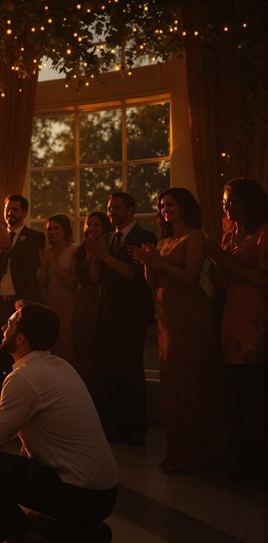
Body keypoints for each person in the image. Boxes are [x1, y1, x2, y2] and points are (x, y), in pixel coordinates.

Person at [0, 300, 118, 543]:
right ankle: (87, 534)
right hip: (103, 494)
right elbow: (7, 426)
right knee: (29, 521)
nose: (4, 327)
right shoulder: (57, 366)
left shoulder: (24, 377)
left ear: (21, 337)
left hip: (76, 491)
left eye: (10, 324)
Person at [130, 188, 221, 473]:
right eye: (161, 205)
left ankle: (196, 453)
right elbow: (154, 283)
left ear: (183, 206)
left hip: (190, 315)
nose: (164, 208)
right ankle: (177, 450)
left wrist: (157, 261)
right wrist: (149, 264)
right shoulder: (164, 241)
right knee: (172, 383)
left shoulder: (194, 236)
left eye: (169, 203)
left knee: (189, 382)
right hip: (167, 318)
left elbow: (190, 277)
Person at [206, 177, 267, 483]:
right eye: (224, 202)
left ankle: (251, 464)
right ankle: (235, 458)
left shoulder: (262, 234)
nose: (227, 207)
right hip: (231, 317)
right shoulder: (231, 235)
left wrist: (228, 262)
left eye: (231, 200)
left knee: (250, 396)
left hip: (255, 319)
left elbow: (263, 279)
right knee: (234, 395)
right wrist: (219, 261)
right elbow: (220, 282)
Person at [85, 192, 156, 446]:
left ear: (131, 209)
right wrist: (94, 258)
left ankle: (136, 430)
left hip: (131, 315)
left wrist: (104, 257)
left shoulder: (144, 236)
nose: (112, 212)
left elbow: (133, 274)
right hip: (106, 313)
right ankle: (114, 426)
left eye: (116, 208)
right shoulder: (107, 238)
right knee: (109, 372)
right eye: (109, 208)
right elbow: (95, 278)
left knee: (131, 373)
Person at [0, 194, 45, 338]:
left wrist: (8, 246)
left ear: (24, 213)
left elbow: (30, 266)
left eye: (15, 209)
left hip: (22, 302)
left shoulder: (36, 237)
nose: (10, 213)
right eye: (7, 209)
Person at [72, 211, 112, 401]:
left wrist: (95, 258)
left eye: (96, 224)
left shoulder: (108, 247)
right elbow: (76, 276)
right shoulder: (81, 249)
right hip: (82, 299)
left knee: (96, 352)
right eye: (89, 224)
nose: (92, 228)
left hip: (99, 298)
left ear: (104, 227)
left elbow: (95, 278)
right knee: (81, 349)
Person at [38, 213, 77, 364]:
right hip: (49, 309)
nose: (52, 232)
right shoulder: (47, 252)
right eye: (49, 229)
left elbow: (73, 283)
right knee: (50, 353)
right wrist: (43, 266)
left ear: (65, 230)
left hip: (68, 310)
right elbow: (42, 284)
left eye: (56, 228)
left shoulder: (74, 250)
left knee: (67, 354)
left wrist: (53, 264)